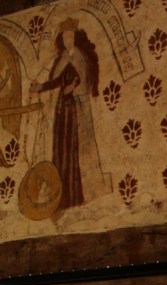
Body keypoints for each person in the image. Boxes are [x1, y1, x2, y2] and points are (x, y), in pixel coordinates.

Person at [30, 18, 107, 214]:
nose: (67, 41)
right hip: (61, 111)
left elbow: (82, 84)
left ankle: (74, 196)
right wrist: (40, 87)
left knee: (72, 152)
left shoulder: (80, 57)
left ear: (75, 37)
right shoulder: (62, 58)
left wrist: (72, 89)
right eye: (65, 38)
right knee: (59, 150)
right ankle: (60, 196)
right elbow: (56, 81)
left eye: (70, 37)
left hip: (73, 111)